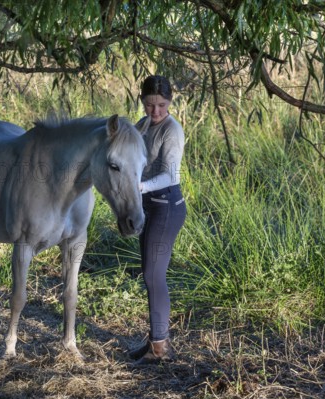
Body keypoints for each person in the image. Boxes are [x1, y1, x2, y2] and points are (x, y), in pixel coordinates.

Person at [128, 75, 187, 364]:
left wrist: (139, 186)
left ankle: (160, 348)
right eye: (150, 105)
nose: (156, 112)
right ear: (142, 101)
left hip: (166, 207)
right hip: (147, 206)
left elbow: (170, 175)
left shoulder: (172, 131)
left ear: (170, 102)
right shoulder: (141, 125)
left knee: (154, 275)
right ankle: (154, 340)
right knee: (148, 273)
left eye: (162, 105)